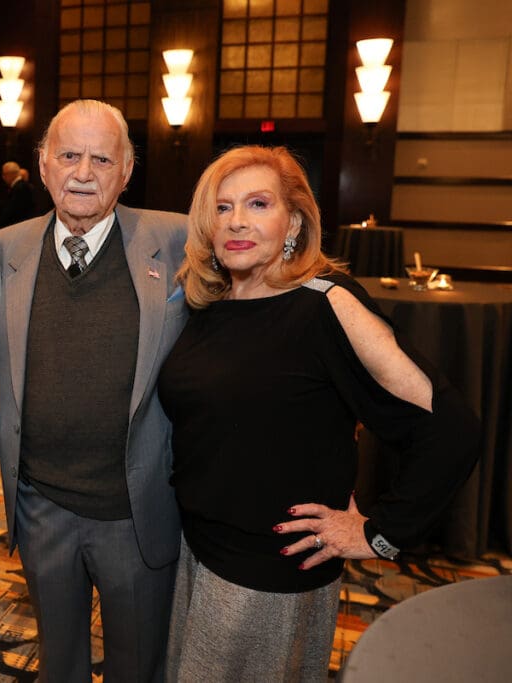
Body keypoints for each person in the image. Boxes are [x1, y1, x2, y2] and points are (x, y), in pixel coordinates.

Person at [157, 145, 479, 681]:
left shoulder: (325, 303)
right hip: (197, 549)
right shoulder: (210, 304)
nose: (236, 221)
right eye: (222, 207)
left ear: (295, 223)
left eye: (258, 204)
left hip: (270, 570)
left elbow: (452, 428)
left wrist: (377, 532)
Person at [0, 99, 188, 682]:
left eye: (102, 159)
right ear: (43, 165)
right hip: (41, 504)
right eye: (69, 155)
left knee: (138, 665)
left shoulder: (178, 242)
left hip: (136, 509)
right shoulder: (3, 251)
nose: (83, 172)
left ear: (127, 171)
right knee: (58, 663)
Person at [0, 160, 37, 228]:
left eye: (4, 174)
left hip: (18, 226)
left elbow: (12, 210)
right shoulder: (23, 186)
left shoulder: (19, 188)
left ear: (10, 174)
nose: (3, 177)